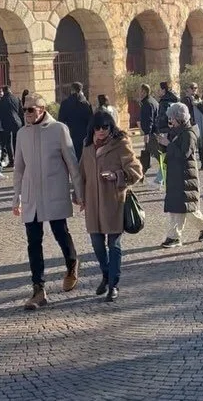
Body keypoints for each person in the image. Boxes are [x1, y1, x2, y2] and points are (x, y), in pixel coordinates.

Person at [13, 93, 83, 310]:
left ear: (41, 110)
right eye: (24, 109)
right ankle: (38, 289)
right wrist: (16, 197)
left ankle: (72, 264)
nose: (26, 114)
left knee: (60, 232)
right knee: (33, 242)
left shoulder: (59, 129)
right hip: (32, 195)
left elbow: (72, 163)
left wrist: (78, 192)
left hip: (54, 191)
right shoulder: (22, 134)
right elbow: (18, 168)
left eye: (30, 110)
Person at [79, 109, 142, 301]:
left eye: (105, 127)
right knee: (97, 244)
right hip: (92, 204)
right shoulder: (87, 146)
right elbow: (82, 173)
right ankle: (105, 274)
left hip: (114, 201)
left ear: (111, 126)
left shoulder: (120, 144)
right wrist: (79, 195)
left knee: (113, 244)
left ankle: (114, 284)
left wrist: (117, 176)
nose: (101, 131)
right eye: (97, 127)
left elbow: (136, 171)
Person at [159, 102, 203, 247]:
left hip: (185, 176)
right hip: (177, 175)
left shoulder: (189, 134)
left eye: (172, 118)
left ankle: (179, 235)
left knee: (185, 207)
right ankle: (177, 235)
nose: (170, 121)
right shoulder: (177, 132)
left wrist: (168, 144)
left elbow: (183, 154)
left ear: (180, 118)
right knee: (179, 207)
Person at [58, 81, 93, 160]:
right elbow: (90, 121)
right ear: (81, 90)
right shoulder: (86, 104)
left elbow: (60, 121)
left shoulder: (65, 103)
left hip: (69, 135)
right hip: (84, 136)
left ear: (71, 90)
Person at [0, 84, 23, 166]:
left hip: (7, 124)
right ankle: (19, 160)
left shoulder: (2, 101)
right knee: (17, 142)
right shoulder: (16, 99)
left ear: (4, 91)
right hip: (18, 123)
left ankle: (12, 161)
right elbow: (21, 111)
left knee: (8, 143)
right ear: (10, 90)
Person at [138, 83, 160, 180]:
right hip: (154, 132)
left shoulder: (147, 103)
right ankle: (141, 175)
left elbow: (149, 119)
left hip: (151, 133)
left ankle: (167, 171)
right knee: (146, 154)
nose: (140, 93)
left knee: (157, 154)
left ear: (145, 92)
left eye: (142, 91)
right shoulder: (153, 101)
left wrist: (147, 133)